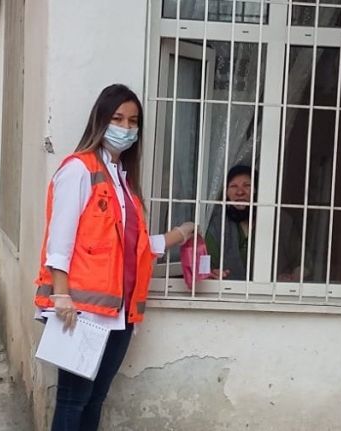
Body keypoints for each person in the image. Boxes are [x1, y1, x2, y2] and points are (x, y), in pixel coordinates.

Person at [33, 84, 194, 431]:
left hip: (120, 314)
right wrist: (61, 296)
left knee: (95, 399)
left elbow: (132, 247)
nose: (126, 128)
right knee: (73, 400)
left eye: (133, 122)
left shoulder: (122, 181)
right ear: (101, 120)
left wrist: (180, 235)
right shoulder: (79, 169)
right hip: (79, 310)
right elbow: (59, 240)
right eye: (118, 119)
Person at [205, 165, 306, 281]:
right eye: (233, 186)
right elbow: (206, 265)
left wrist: (293, 277)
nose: (240, 192)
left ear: (257, 190)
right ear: (226, 193)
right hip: (227, 291)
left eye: (247, 186)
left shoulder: (280, 221)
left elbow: (304, 262)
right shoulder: (217, 224)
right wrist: (212, 273)